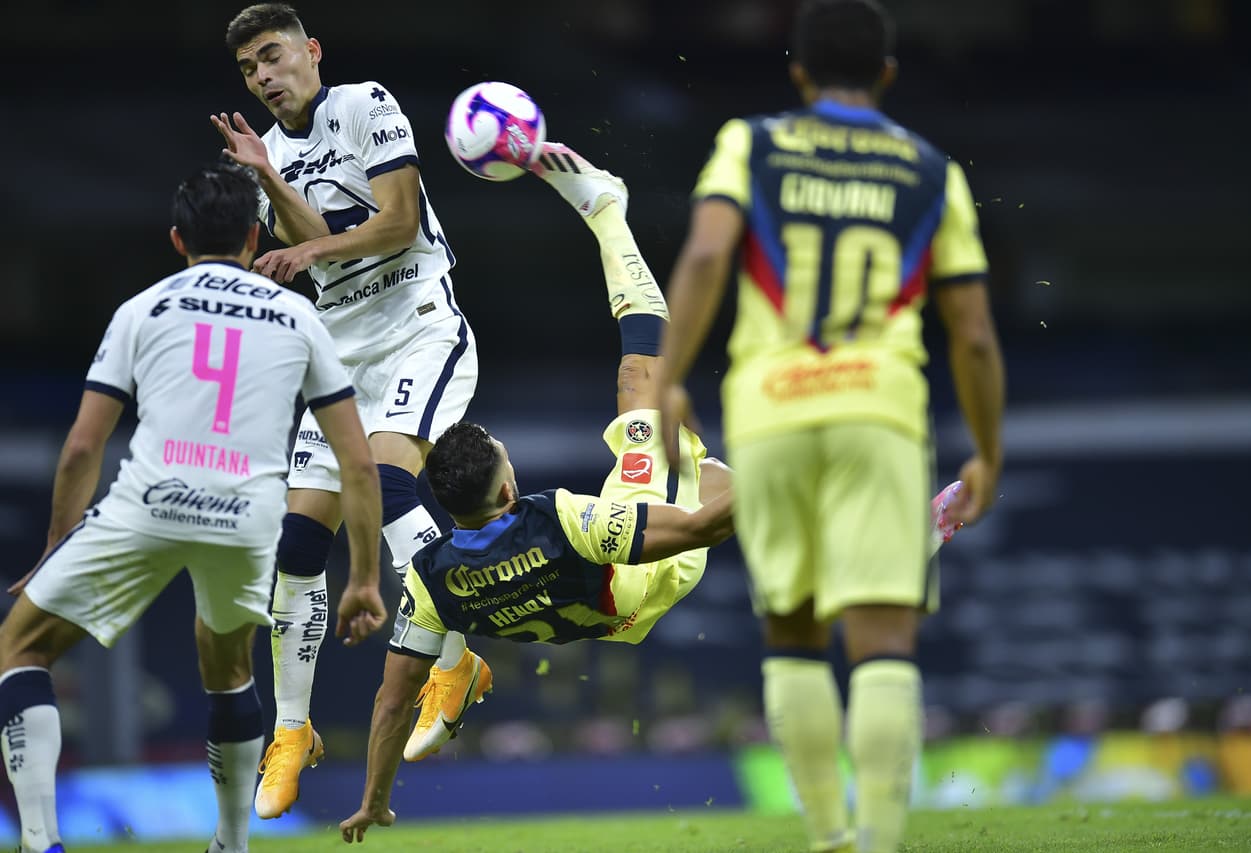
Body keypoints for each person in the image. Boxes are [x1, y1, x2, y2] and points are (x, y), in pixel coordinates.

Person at [656, 1, 1006, 851]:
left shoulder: (753, 143)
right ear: (888, 73)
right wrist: (989, 451)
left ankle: (827, 838)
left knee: (794, 632)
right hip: (878, 410)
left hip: (772, 410)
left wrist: (668, 380)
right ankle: (880, 842)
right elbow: (972, 332)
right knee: (883, 641)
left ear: (799, 74)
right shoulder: (931, 170)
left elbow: (705, 256)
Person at [336, 144, 734, 843]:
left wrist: (374, 798)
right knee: (648, 382)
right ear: (511, 485)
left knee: (683, 444)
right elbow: (699, 529)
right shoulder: (564, 519)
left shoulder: (431, 580)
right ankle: (607, 208)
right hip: (653, 577)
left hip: (600, 616)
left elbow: (394, 700)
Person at [0, 162, 386, 853]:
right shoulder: (299, 314)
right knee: (228, 664)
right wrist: (361, 577)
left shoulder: (143, 308)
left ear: (177, 240)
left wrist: (56, 547)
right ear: (254, 234)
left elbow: (84, 447)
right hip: (246, 515)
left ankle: (38, 839)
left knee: (20, 649)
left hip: (150, 500)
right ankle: (231, 844)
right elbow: (356, 462)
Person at [214, 3, 482, 819]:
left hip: (416, 328)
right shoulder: (268, 156)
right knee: (297, 544)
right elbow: (309, 241)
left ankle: (460, 654)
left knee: (393, 494)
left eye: (272, 56)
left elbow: (397, 222)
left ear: (311, 51)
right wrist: (267, 177)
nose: (264, 77)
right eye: (249, 69)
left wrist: (310, 247)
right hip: (340, 358)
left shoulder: (365, 103)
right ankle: (291, 732)